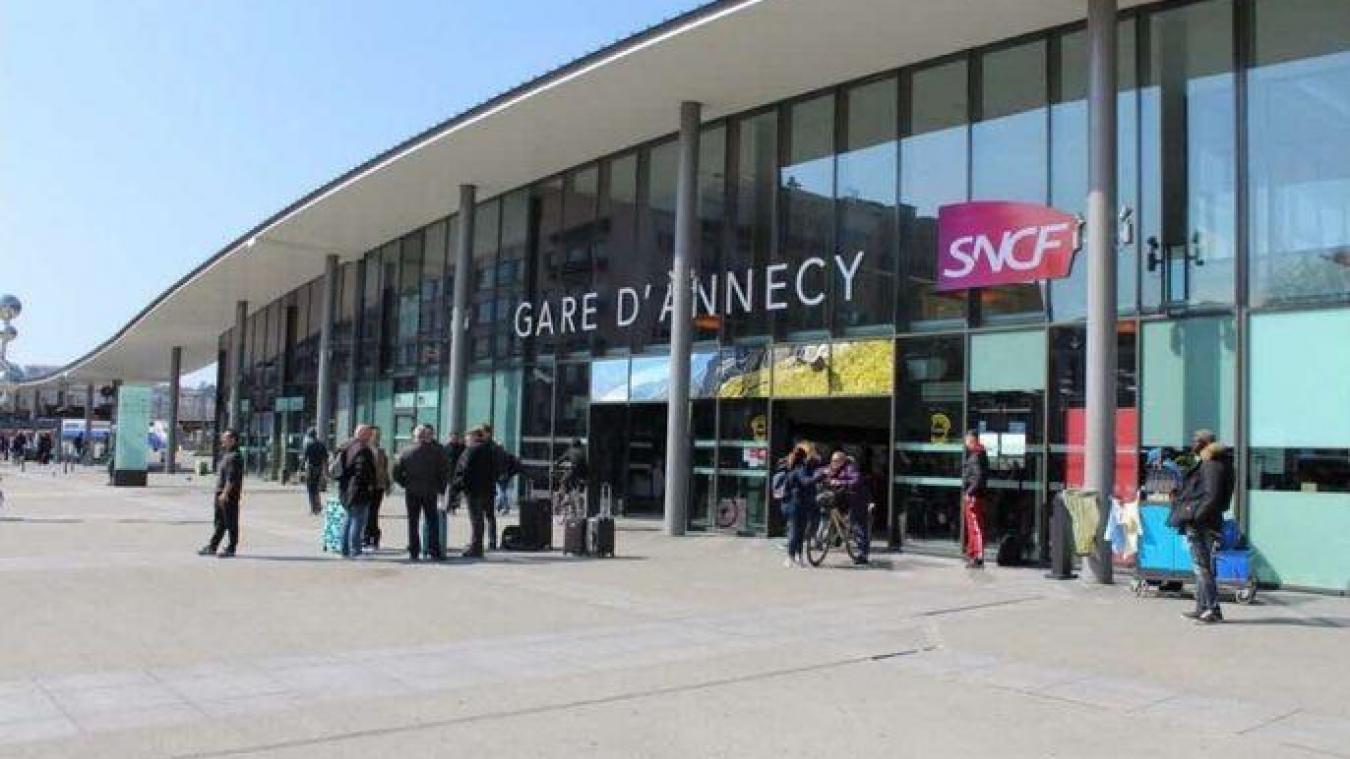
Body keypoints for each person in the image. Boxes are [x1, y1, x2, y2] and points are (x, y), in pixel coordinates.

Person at [1173, 429, 1236, 624]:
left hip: (1202, 523)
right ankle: (1201, 607)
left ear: (1204, 443)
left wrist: (1196, 516)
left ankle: (1212, 609)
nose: (1192, 443)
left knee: (1202, 567)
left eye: (1195, 439)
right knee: (1202, 566)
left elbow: (1212, 495)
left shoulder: (1211, 464)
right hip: (1209, 520)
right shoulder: (1220, 462)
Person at [392, 424, 451, 561]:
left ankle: (414, 550)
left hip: (412, 490)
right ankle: (434, 550)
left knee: (413, 521)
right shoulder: (437, 452)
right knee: (432, 520)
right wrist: (441, 488)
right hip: (430, 490)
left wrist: (404, 483)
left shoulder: (406, 451)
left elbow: (396, 472)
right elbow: (444, 471)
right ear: (427, 436)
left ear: (415, 436)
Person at [198, 429, 244, 558]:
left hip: (229, 495)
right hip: (220, 493)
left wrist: (225, 493)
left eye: (226, 438)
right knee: (220, 522)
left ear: (233, 440)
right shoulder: (227, 454)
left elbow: (232, 478)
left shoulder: (235, 457)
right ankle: (213, 546)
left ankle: (231, 547)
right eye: (223, 438)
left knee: (231, 522)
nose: (223, 440)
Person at [453, 427, 498, 558]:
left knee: (476, 519)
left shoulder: (471, 450)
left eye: (467, 437)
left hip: (473, 490)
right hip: (487, 489)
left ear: (473, 437)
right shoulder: (490, 450)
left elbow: (463, 470)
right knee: (482, 519)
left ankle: (476, 547)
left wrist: (457, 487)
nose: (465, 440)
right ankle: (478, 545)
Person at [335, 425, 378, 559]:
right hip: (358, 489)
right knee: (357, 520)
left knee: (349, 519)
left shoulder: (345, 445)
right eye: (369, 434)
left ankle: (344, 549)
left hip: (345, 487)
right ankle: (356, 550)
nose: (371, 437)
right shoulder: (362, 450)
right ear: (362, 434)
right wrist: (369, 484)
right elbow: (362, 470)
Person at [778, 444, 822, 568]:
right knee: (795, 531)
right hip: (794, 505)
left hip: (801, 504)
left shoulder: (799, 468)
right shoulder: (799, 470)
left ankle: (798, 556)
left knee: (801, 532)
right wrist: (818, 477)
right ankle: (790, 557)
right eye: (809, 456)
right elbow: (805, 482)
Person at [825, 450, 871, 565]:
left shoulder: (850, 468)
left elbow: (856, 480)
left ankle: (863, 554)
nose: (833, 463)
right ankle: (838, 535)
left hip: (858, 499)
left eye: (835, 461)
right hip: (845, 498)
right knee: (835, 510)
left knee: (858, 525)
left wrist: (840, 482)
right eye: (832, 460)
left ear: (842, 461)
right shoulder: (834, 468)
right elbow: (823, 474)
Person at [961, 430, 990, 569]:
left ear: (972, 439)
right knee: (973, 526)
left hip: (974, 496)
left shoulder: (977, 456)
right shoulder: (979, 454)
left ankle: (978, 556)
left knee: (976, 527)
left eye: (966, 440)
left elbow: (978, 478)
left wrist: (969, 492)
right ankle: (973, 554)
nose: (965, 443)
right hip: (975, 495)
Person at [363, 426, 391, 550]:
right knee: (367, 512)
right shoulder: (364, 450)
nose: (377, 438)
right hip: (367, 485)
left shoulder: (381, 452)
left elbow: (385, 470)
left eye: (378, 436)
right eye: (375, 435)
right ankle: (366, 536)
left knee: (373, 512)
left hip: (378, 486)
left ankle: (374, 537)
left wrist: (388, 484)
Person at [301, 429, 328, 515]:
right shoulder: (321, 444)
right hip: (319, 468)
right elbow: (325, 458)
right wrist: (325, 470)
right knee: (316, 488)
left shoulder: (309, 445)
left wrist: (300, 468)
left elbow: (305, 458)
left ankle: (314, 508)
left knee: (310, 488)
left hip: (311, 468)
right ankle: (318, 506)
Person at [443, 432, 466, 515]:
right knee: (449, 490)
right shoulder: (446, 448)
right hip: (449, 472)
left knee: (455, 491)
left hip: (458, 472)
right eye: (453, 438)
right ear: (450, 438)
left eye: (456, 438)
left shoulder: (461, 447)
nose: (455, 439)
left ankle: (453, 507)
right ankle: (449, 506)